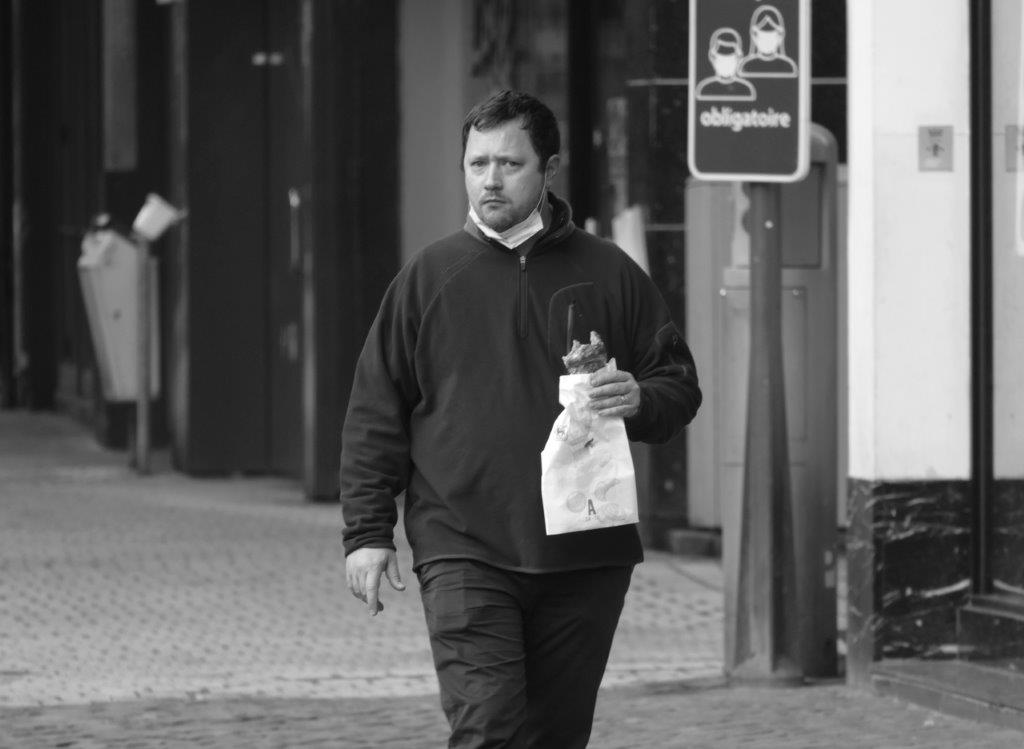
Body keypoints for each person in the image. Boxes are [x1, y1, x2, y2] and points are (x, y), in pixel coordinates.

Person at [340, 90, 701, 748]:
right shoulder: (428, 277)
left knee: (554, 737)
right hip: (462, 545)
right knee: (488, 729)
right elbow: (375, 409)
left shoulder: (609, 272)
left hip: (585, 552)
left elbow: (678, 384)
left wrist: (640, 398)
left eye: (509, 164)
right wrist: (368, 532)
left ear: (548, 169)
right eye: (477, 164)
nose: (491, 180)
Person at [695, 27, 757, 101]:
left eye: (730, 54)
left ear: (739, 59)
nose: (726, 61)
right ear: (712, 59)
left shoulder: (746, 89)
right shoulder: (705, 89)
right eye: (721, 54)